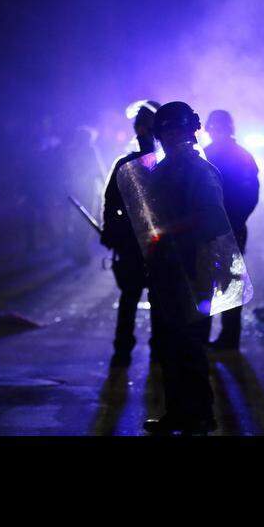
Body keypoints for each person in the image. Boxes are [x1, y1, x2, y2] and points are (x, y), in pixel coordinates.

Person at [140, 101, 230, 435]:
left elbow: (211, 218)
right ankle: (177, 412)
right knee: (168, 344)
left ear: (190, 131)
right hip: (166, 267)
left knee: (189, 345)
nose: (171, 137)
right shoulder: (164, 169)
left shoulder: (199, 171)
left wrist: (167, 233)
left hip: (193, 268)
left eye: (177, 130)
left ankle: (201, 416)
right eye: (166, 132)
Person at [101, 100, 161, 367]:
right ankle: (128, 349)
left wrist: (111, 231)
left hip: (157, 243)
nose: (143, 133)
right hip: (135, 243)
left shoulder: (165, 164)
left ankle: (138, 349)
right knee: (134, 298)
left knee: (147, 299)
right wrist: (112, 231)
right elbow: (111, 202)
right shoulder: (131, 164)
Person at [202, 109, 259, 349]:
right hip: (222, 229)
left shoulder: (207, 155)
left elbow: (250, 196)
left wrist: (229, 221)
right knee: (220, 285)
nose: (216, 131)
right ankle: (225, 338)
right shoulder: (238, 155)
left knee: (217, 285)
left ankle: (219, 338)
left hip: (219, 229)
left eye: (218, 127)